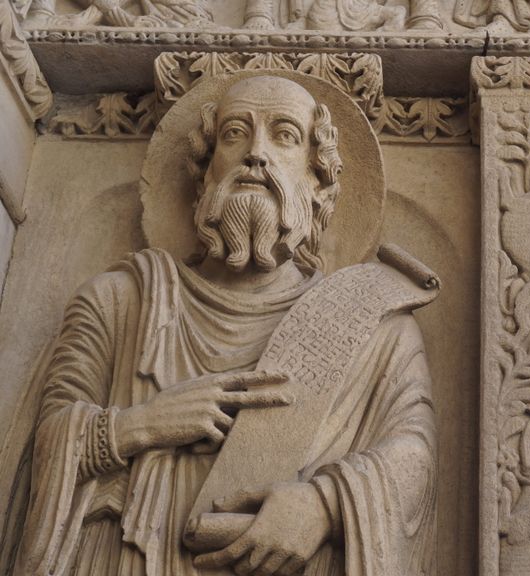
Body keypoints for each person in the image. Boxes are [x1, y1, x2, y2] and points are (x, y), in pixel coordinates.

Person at [15, 75, 437, 576]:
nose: (255, 154)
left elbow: (413, 455)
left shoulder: (375, 328)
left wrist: (324, 507)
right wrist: (140, 425)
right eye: (235, 133)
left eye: (284, 135)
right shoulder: (119, 302)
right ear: (205, 171)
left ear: (317, 180)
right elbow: (46, 447)